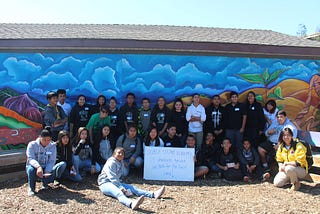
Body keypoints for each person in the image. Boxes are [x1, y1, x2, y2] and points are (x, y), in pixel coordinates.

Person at [97, 147, 165, 210]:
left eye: (122, 154)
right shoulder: (111, 162)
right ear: (114, 154)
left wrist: (122, 186)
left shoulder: (121, 162)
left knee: (133, 188)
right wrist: (121, 187)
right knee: (118, 193)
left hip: (115, 182)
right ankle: (131, 203)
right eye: (119, 153)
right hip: (105, 183)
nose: (120, 154)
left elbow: (119, 176)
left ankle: (153, 194)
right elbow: (112, 176)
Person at [26, 127, 57, 196]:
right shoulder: (32, 145)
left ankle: (45, 183)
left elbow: (52, 160)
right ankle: (31, 187)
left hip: (46, 166)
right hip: (34, 166)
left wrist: (47, 170)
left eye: (48, 140)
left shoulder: (52, 146)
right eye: (44, 140)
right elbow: (30, 158)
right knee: (31, 170)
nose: (46, 142)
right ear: (40, 137)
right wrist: (38, 167)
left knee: (52, 172)